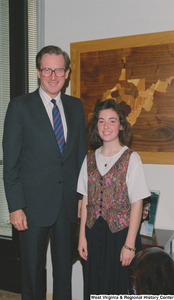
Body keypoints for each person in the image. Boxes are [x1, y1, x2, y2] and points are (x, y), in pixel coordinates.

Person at [3, 45, 87, 300]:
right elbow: (11, 163)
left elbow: (81, 157)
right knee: (33, 273)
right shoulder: (19, 107)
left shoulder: (75, 106)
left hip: (67, 205)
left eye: (58, 69)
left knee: (64, 273)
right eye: (47, 69)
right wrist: (16, 206)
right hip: (31, 208)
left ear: (67, 73)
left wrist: (83, 197)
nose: (53, 75)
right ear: (38, 72)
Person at [77, 99, 151, 297]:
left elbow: (137, 203)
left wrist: (129, 245)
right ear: (96, 126)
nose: (106, 126)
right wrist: (82, 237)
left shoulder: (131, 158)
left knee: (118, 289)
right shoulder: (89, 158)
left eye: (111, 120)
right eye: (101, 121)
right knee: (94, 286)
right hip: (93, 233)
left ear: (120, 125)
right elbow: (85, 200)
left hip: (120, 235)